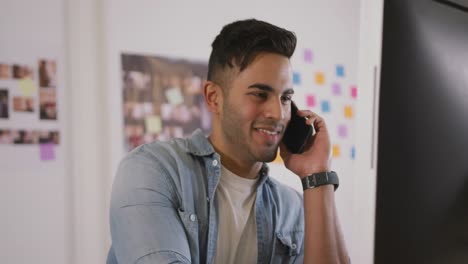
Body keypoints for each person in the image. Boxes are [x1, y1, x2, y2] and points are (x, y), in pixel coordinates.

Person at [107, 18, 349, 264]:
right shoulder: (151, 171)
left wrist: (318, 176)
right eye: (259, 94)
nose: (278, 114)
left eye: (285, 98)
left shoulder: (292, 208)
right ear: (213, 98)